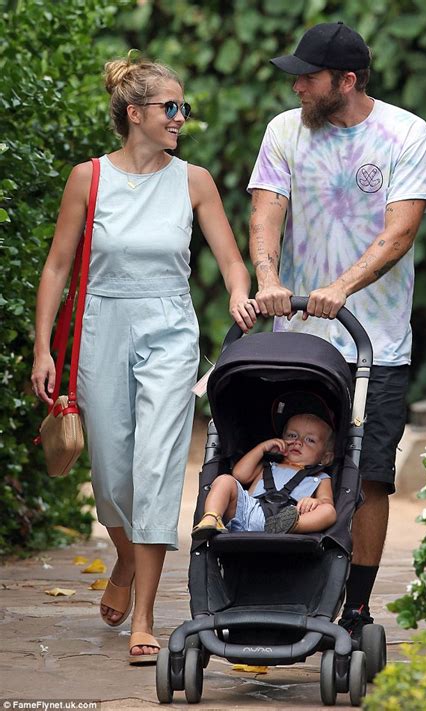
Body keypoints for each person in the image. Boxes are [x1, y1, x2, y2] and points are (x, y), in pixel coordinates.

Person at [31, 54, 258, 663]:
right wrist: (42, 347)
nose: (181, 117)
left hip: (169, 329)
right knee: (111, 476)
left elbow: (232, 261)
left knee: (156, 471)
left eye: (182, 107)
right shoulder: (88, 178)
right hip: (102, 326)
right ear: (135, 114)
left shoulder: (194, 180)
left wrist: (240, 292)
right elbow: (56, 267)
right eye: (171, 108)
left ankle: (147, 619)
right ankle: (127, 559)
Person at [247, 21, 426, 644]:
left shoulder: (405, 133)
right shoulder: (284, 130)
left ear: (347, 81)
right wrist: (270, 278)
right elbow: (266, 210)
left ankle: (355, 608)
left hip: (374, 340)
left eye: (309, 76)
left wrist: (343, 287)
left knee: (372, 475)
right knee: (278, 462)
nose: (298, 85)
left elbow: (401, 230)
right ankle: (269, 584)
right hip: (298, 340)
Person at [192, 399, 336, 539]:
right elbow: (239, 475)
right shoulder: (267, 465)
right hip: (249, 512)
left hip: (293, 513)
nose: (298, 442)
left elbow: (327, 501)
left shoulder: (320, 477)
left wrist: (316, 502)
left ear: (325, 457)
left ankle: (293, 525)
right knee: (225, 480)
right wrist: (262, 448)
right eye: (292, 435)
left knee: (328, 511)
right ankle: (212, 517)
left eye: (310, 440)